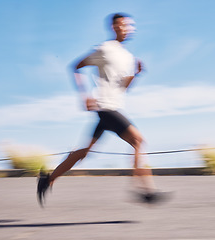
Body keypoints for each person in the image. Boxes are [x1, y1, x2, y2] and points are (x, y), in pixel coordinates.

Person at [37, 13, 166, 206]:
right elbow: (76, 66)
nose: (129, 28)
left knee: (84, 151)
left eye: (131, 26)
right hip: (106, 108)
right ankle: (144, 190)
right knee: (139, 141)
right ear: (115, 27)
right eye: (125, 25)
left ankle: (47, 179)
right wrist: (85, 95)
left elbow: (123, 88)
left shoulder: (128, 57)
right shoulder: (105, 49)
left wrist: (136, 74)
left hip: (112, 107)